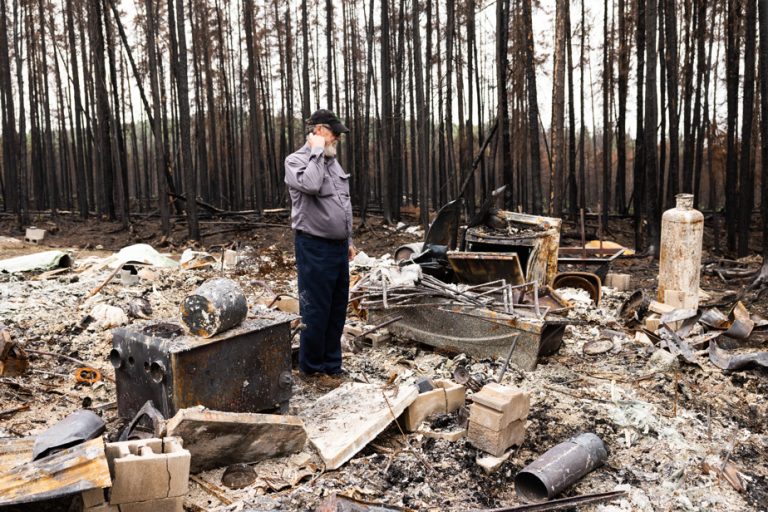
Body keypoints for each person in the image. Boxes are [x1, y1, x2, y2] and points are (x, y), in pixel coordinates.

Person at [284, 109, 357, 377]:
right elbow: (312, 185)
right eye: (332, 131)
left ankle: (332, 367)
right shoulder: (296, 161)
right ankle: (312, 370)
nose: (337, 136)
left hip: (337, 248)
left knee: (337, 309)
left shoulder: (332, 162)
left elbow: (343, 201)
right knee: (316, 311)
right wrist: (315, 151)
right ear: (317, 131)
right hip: (313, 247)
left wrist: (347, 238)